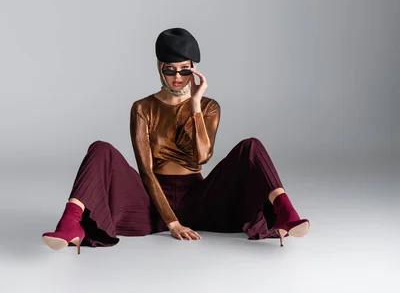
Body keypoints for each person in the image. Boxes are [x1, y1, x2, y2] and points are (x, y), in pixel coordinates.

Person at [42, 27, 310, 254]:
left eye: (185, 70)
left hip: (199, 200)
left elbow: (203, 157)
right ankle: (70, 222)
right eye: (171, 70)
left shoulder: (208, 106)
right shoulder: (142, 108)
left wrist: (194, 104)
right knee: (100, 148)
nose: (179, 78)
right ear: (160, 68)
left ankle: (285, 213)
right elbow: (145, 171)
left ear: (194, 70)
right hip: (150, 200)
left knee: (251, 146)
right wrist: (172, 222)